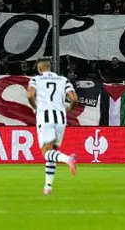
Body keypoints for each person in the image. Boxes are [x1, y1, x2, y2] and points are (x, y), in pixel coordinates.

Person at [27, 58, 79, 195]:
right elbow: (74, 98)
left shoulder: (35, 79)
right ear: (50, 67)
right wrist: (69, 108)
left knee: (46, 152)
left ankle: (68, 159)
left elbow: (30, 95)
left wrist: (35, 107)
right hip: (61, 119)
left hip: (45, 117)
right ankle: (48, 187)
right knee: (53, 152)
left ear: (39, 69)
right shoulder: (63, 80)